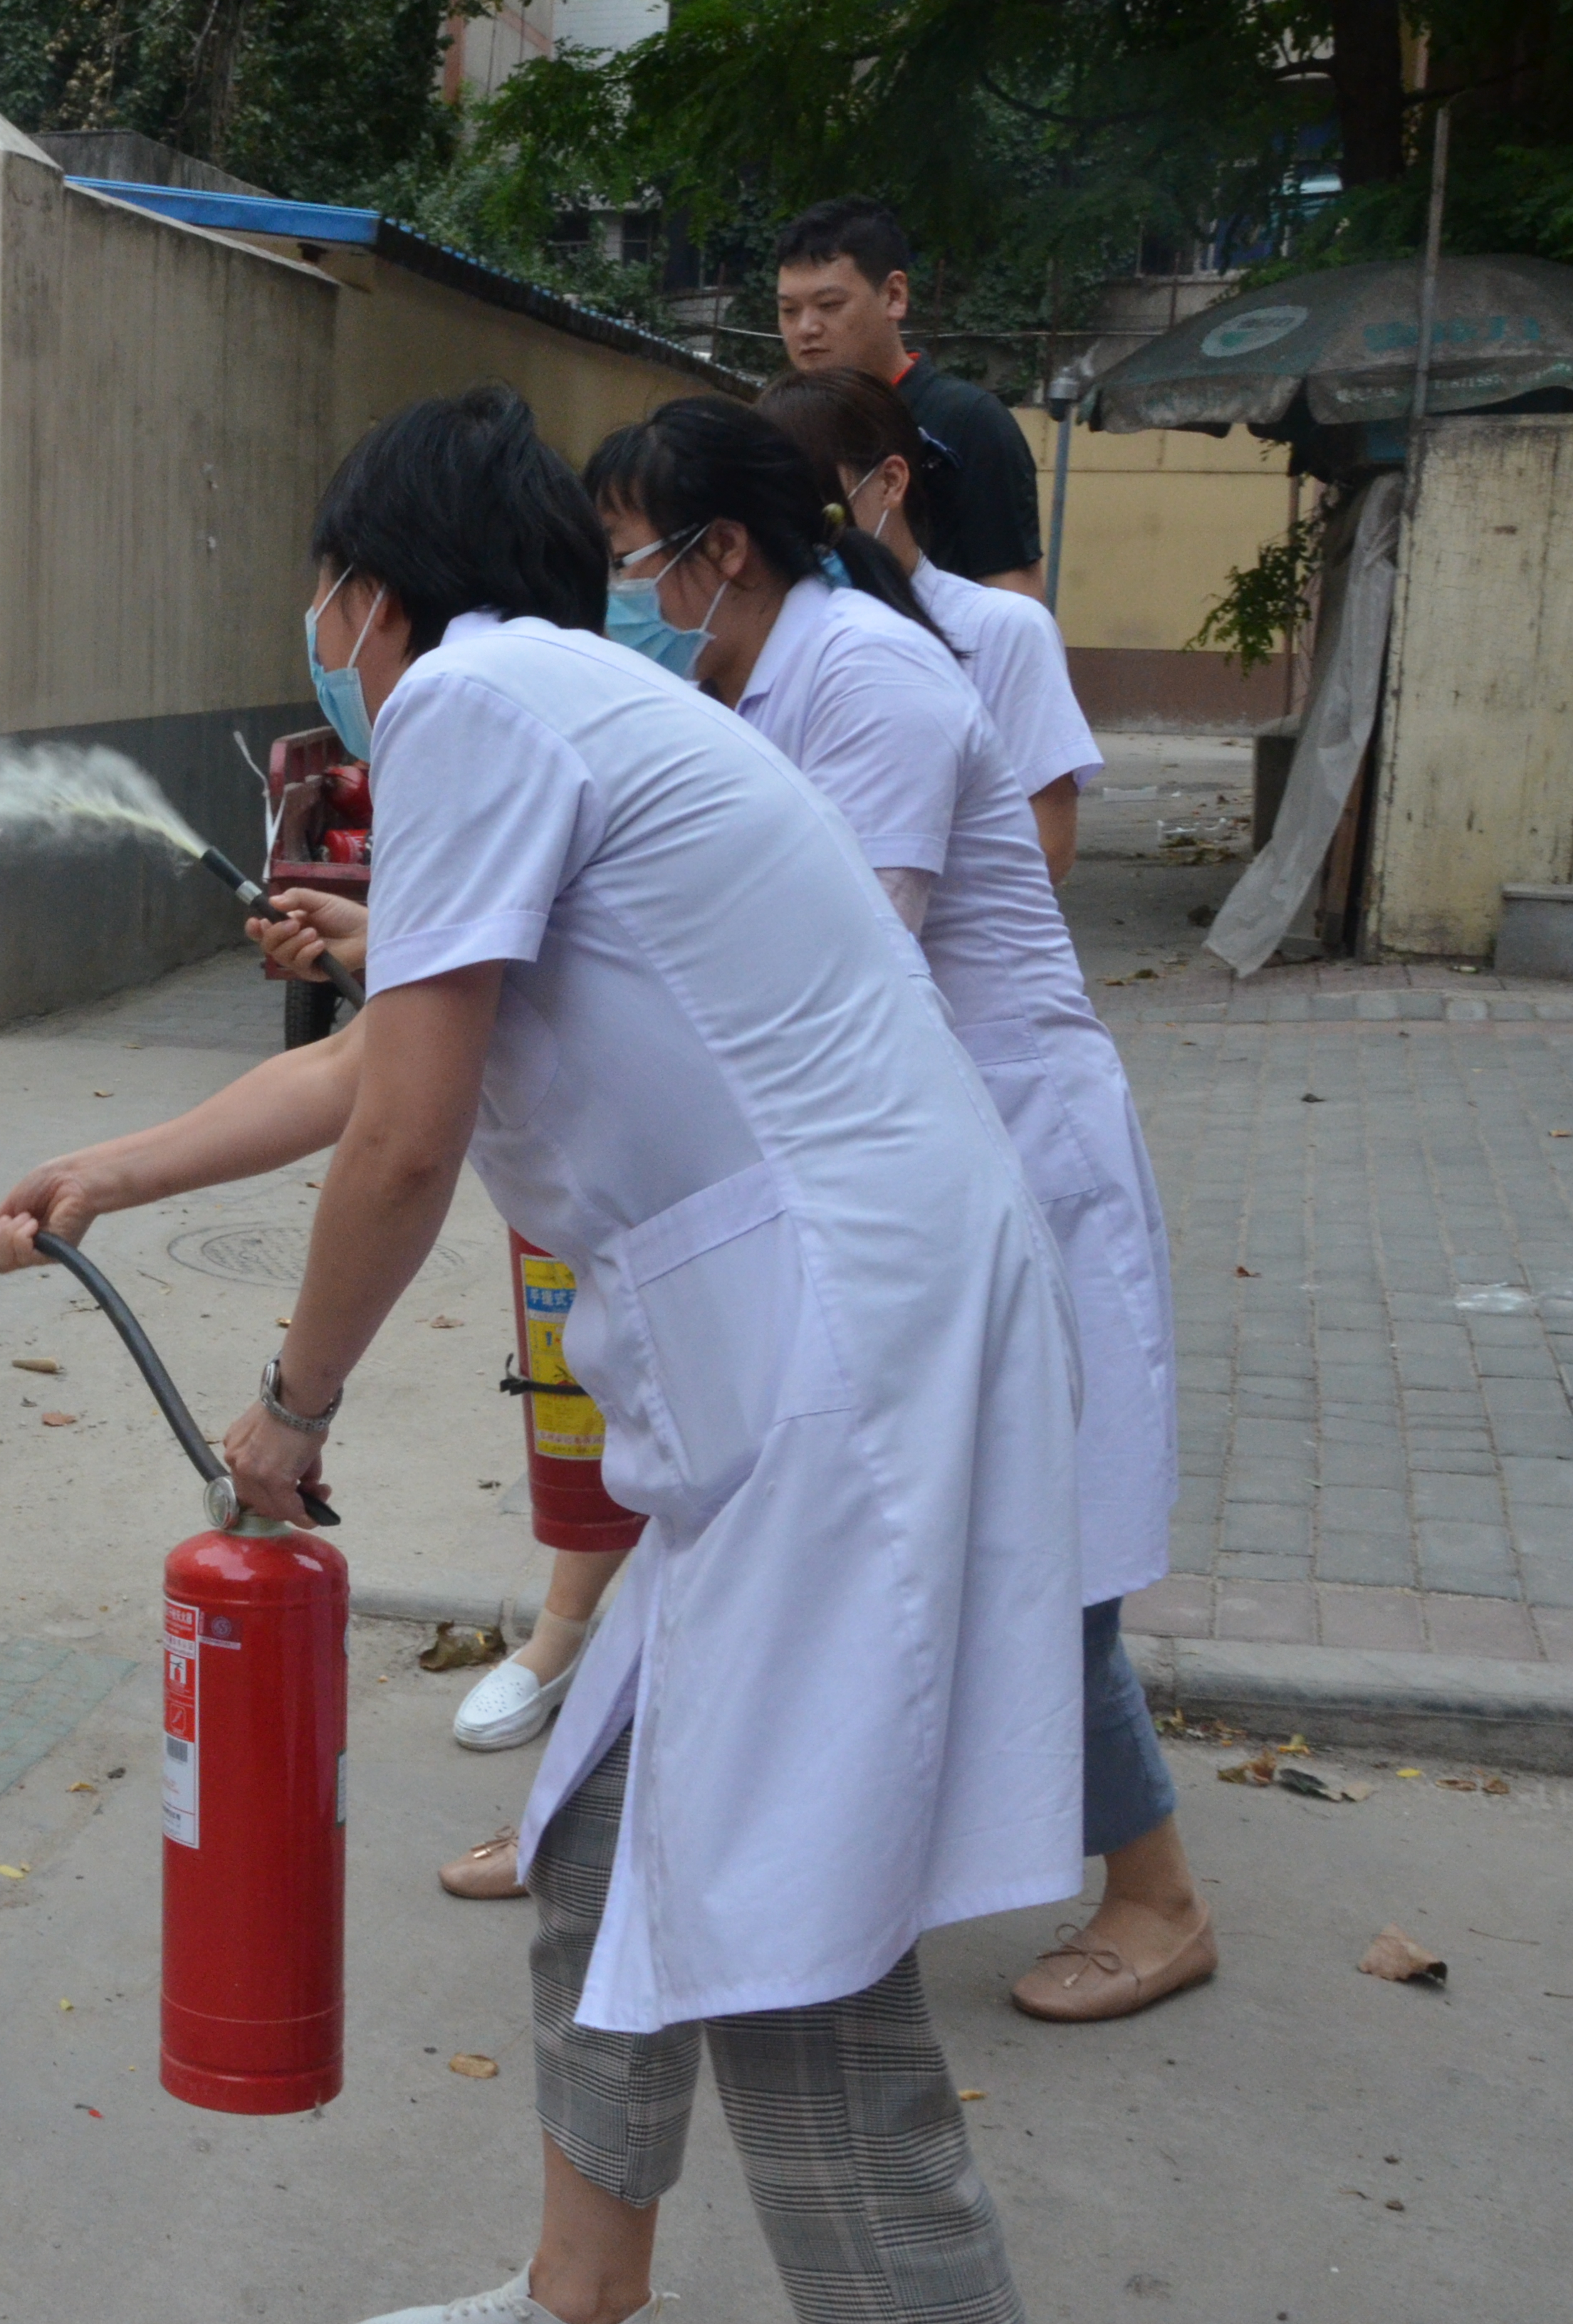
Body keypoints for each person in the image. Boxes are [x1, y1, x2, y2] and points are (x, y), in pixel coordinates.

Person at [0, 382, 1075, 2324]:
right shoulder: (582, 704)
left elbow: (407, 1139)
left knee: (794, 1963)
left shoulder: (477, 704)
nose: (322, 639)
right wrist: (111, 1171)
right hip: (828, 1338)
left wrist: (290, 1412)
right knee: (601, 1833)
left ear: (374, 592)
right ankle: (578, 2292)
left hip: (833, 1358)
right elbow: (373, 1067)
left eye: (325, 594)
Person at [747, 367, 1212, 2021]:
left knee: (1052, 1548)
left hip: (1013, 1126)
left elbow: (895, 924)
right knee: (943, 1537)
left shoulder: (934, 652)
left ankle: (1156, 1894)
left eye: (665, 562)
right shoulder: (790, 669)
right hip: (927, 1144)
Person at [761, 364, 1102, 879]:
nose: (798, 531)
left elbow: (1048, 845)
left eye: (819, 505)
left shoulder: (1001, 630)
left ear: (891, 482)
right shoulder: (771, 640)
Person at [773, 197, 1046, 595]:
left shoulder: (969, 423)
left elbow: (1014, 598)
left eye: (829, 305)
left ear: (895, 295)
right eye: (788, 311)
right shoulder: (779, 430)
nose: (806, 328)